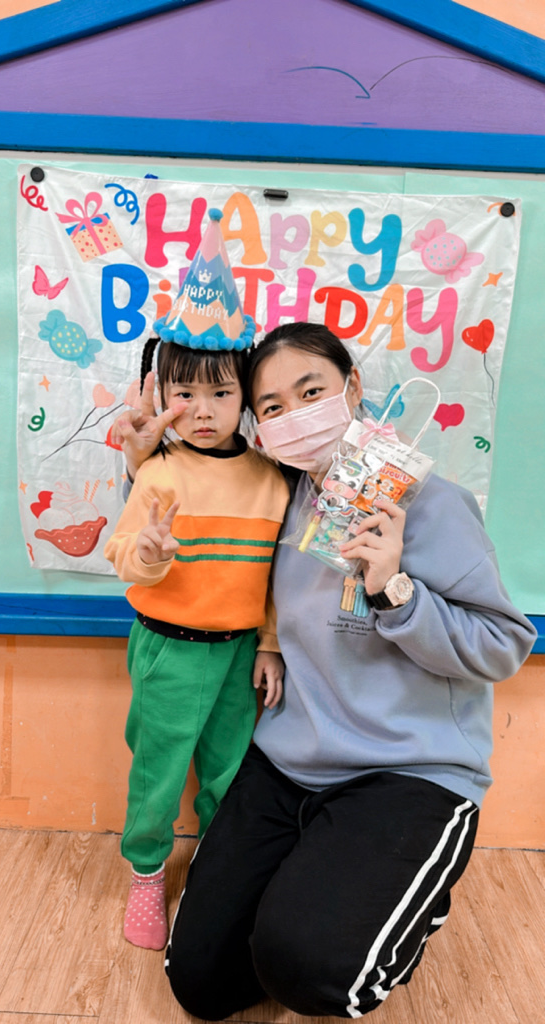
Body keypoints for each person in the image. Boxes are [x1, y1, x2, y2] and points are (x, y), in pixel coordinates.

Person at [118, 321, 536, 1018]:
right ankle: (316, 891)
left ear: (354, 386)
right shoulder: (282, 495)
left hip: (406, 770)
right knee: (201, 981)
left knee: (313, 970)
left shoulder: (430, 502)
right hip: (289, 760)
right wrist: (139, 464)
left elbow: (503, 645)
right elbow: (195, 509)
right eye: (273, 406)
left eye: (311, 392)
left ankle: (404, 900)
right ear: (258, 424)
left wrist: (397, 591)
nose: (295, 415)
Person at [104, 334, 289, 952]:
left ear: (246, 398)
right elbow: (122, 553)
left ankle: (216, 868)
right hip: (167, 649)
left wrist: (269, 643)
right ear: (162, 395)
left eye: (221, 393)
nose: (202, 411)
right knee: (157, 770)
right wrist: (149, 554)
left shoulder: (273, 482)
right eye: (184, 393)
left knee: (229, 772)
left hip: (239, 654)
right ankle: (146, 873)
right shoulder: (157, 471)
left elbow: (277, 578)